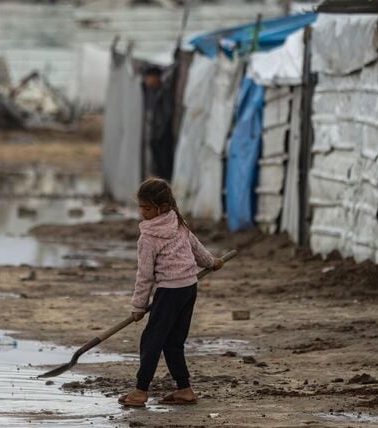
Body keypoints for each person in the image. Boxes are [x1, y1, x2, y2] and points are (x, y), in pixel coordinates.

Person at [117, 178, 224, 407]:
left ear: (162, 207)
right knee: (173, 342)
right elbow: (198, 250)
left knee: (151, 341)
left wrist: (138, 306)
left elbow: (145, 275)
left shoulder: (148, 237)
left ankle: (140, 391)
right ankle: (184, 390)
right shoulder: (178, 223)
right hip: (189, 288)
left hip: (170, 292)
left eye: (147, 208)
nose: (143, 213)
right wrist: (211, 262)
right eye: (141, 207)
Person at [141, 65, 176, 181]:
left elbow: (167, 114)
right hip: (155, 136)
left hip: (163, 137)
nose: (146, 81)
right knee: (157, 167)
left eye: (148, 77)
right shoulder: (150, 92)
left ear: (156, 78)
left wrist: (160, 133)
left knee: (164, 166)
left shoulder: (164, 92)